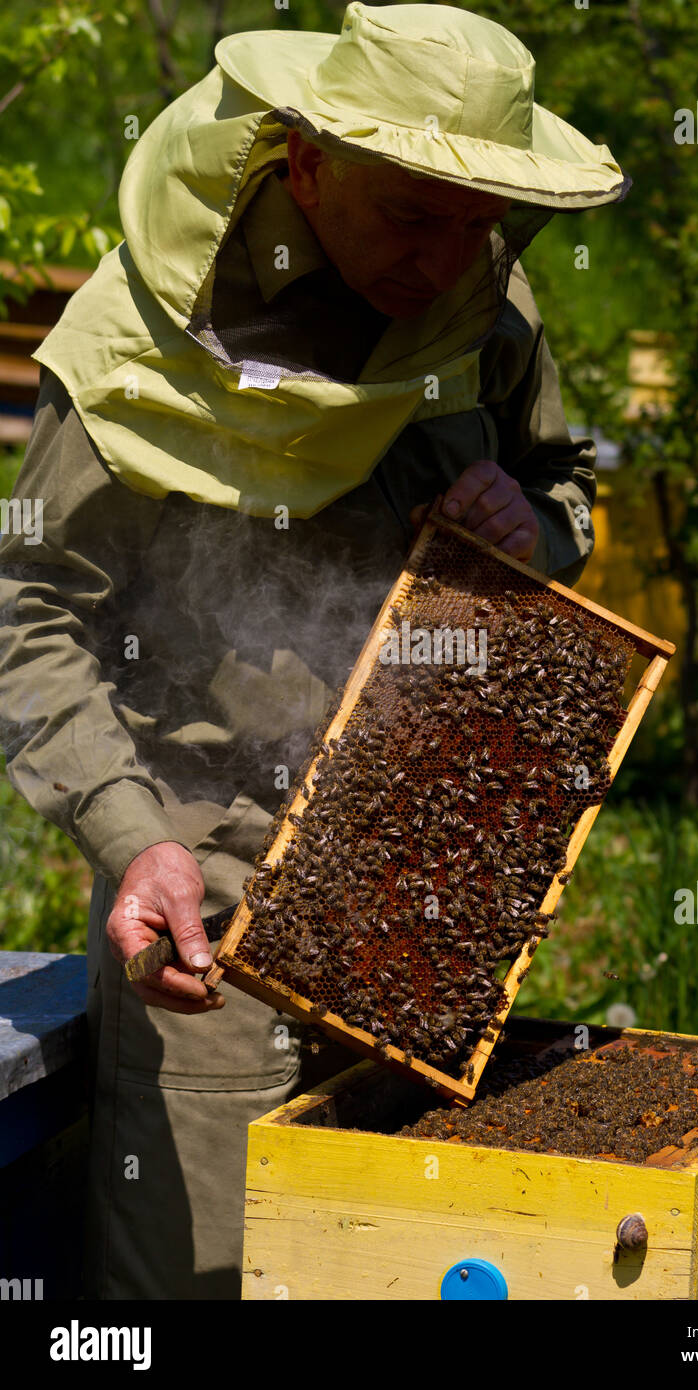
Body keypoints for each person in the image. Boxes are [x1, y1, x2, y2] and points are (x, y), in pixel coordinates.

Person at [0, 1, 629, 1298]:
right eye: (414, 214)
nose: (450, 256)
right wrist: (133, 835)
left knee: (401, 1265)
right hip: (208, 895)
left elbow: (565, 486)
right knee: (206, 1284)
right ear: (306, 163)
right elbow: (26, 602)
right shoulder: (143, 335)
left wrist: (539, 526)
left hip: (434, 877)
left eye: (480, 221)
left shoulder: (484, 302)